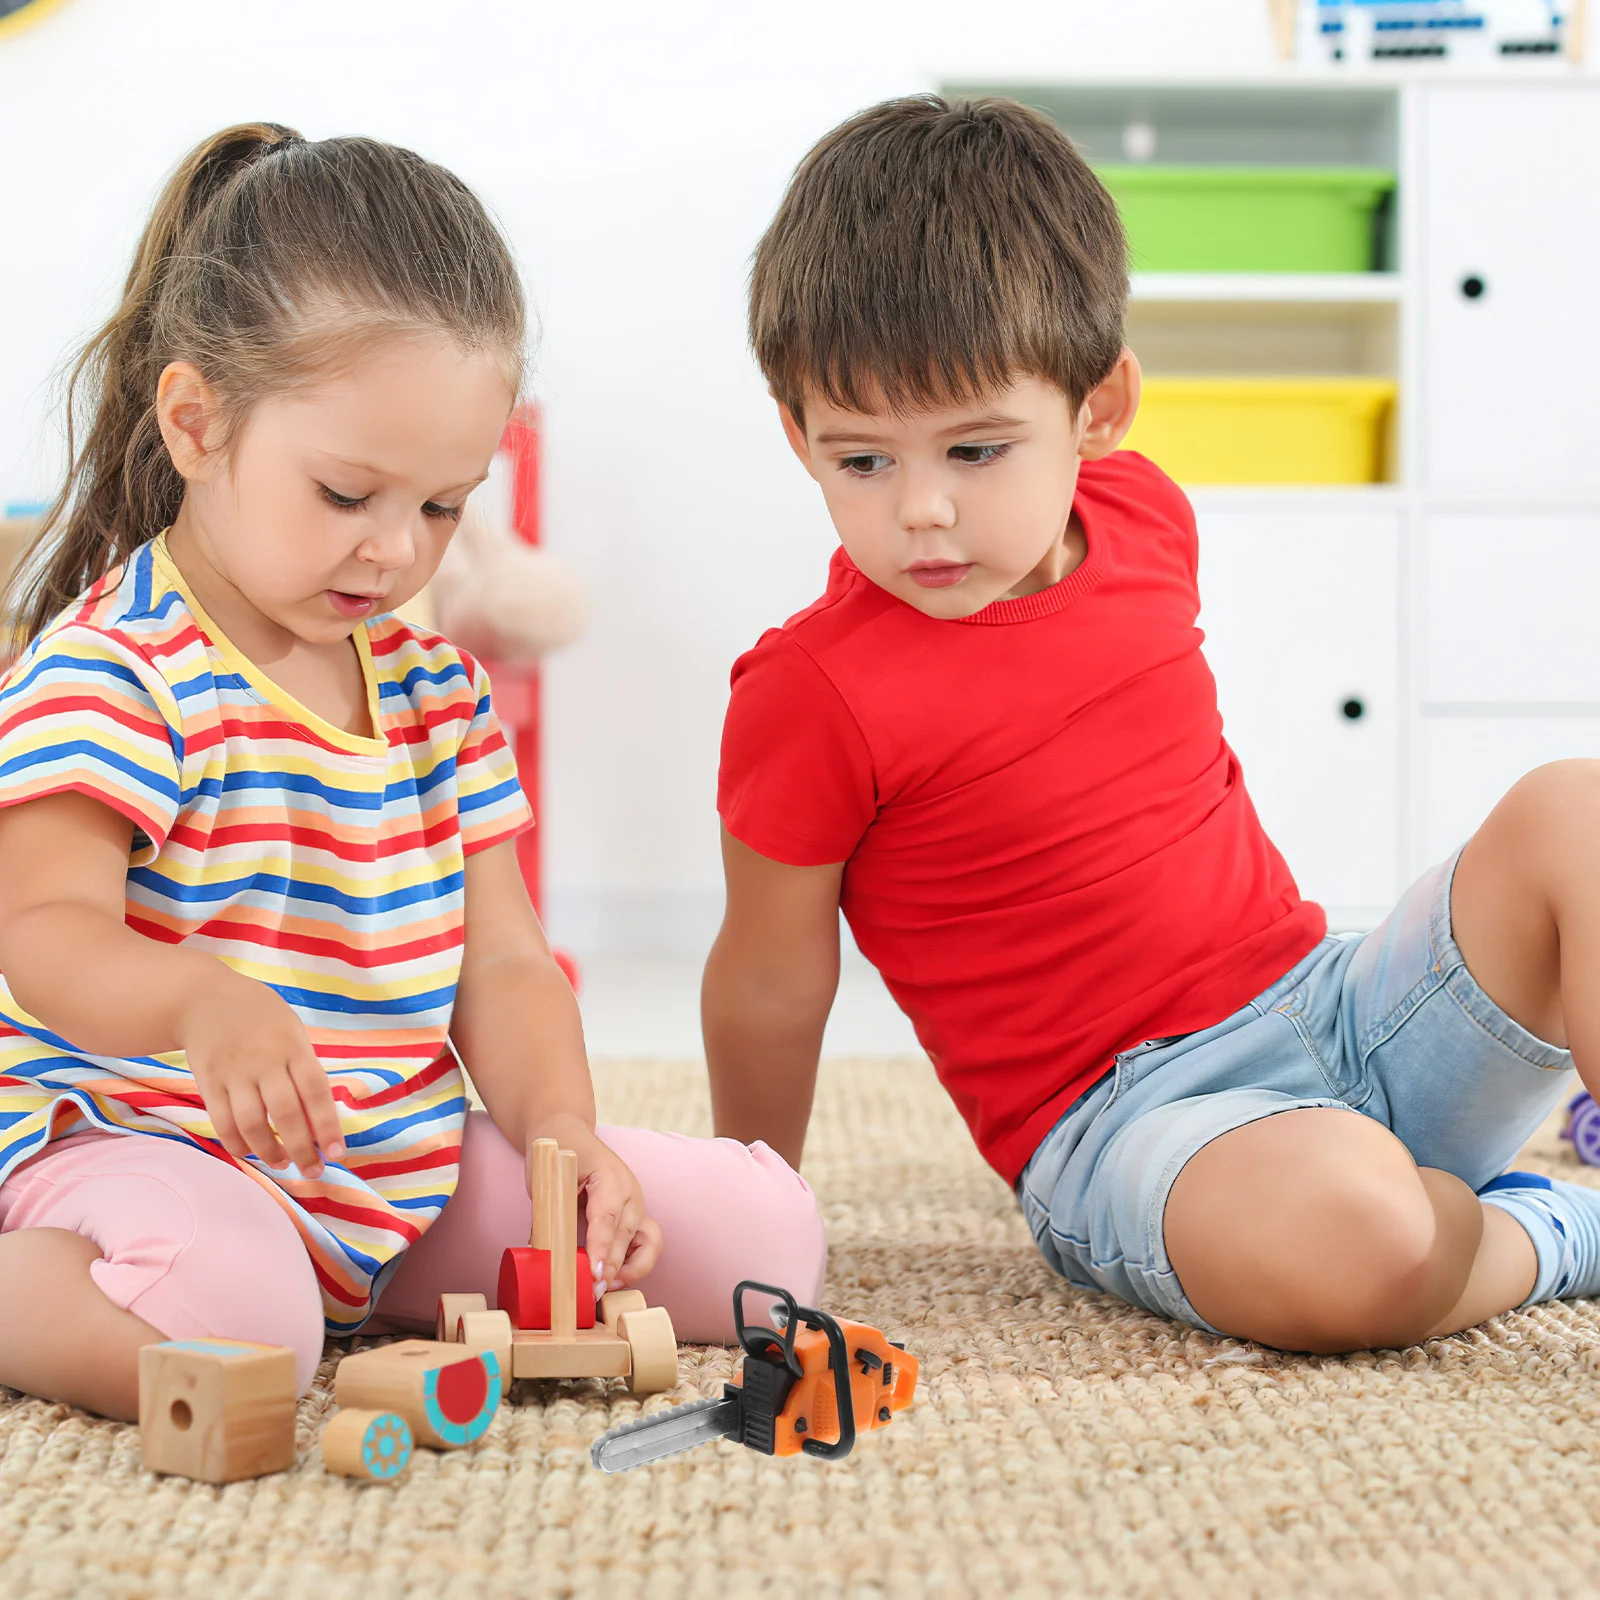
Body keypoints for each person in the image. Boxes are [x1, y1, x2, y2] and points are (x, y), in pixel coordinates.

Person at [704, 93, 1600, 1355]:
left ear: (1098, 412)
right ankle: (1542, 1235)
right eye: (862, 460)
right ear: (796, 434)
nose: (921, 512)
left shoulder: (1142, 518)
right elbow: (767, 978)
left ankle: (1440, 1203)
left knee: (1579, 807)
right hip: (1128, 1127)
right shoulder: (811, 692)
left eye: (975, 449)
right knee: (1356, 1234)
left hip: (1335, 1005)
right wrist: (754, 1210)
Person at [0, 123, 823, 1421]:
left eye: (443, 506)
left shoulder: (434, 691)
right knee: (241, 1324)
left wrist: (562, 1133)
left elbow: (501, 960)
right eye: (346, 493)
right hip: (138, 1149)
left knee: (768, 1240)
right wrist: (200, 1005)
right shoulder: (114, 669)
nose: (396, 549)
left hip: (385, 1169)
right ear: (196, 424)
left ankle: (346, 1277)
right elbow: (41, 934)